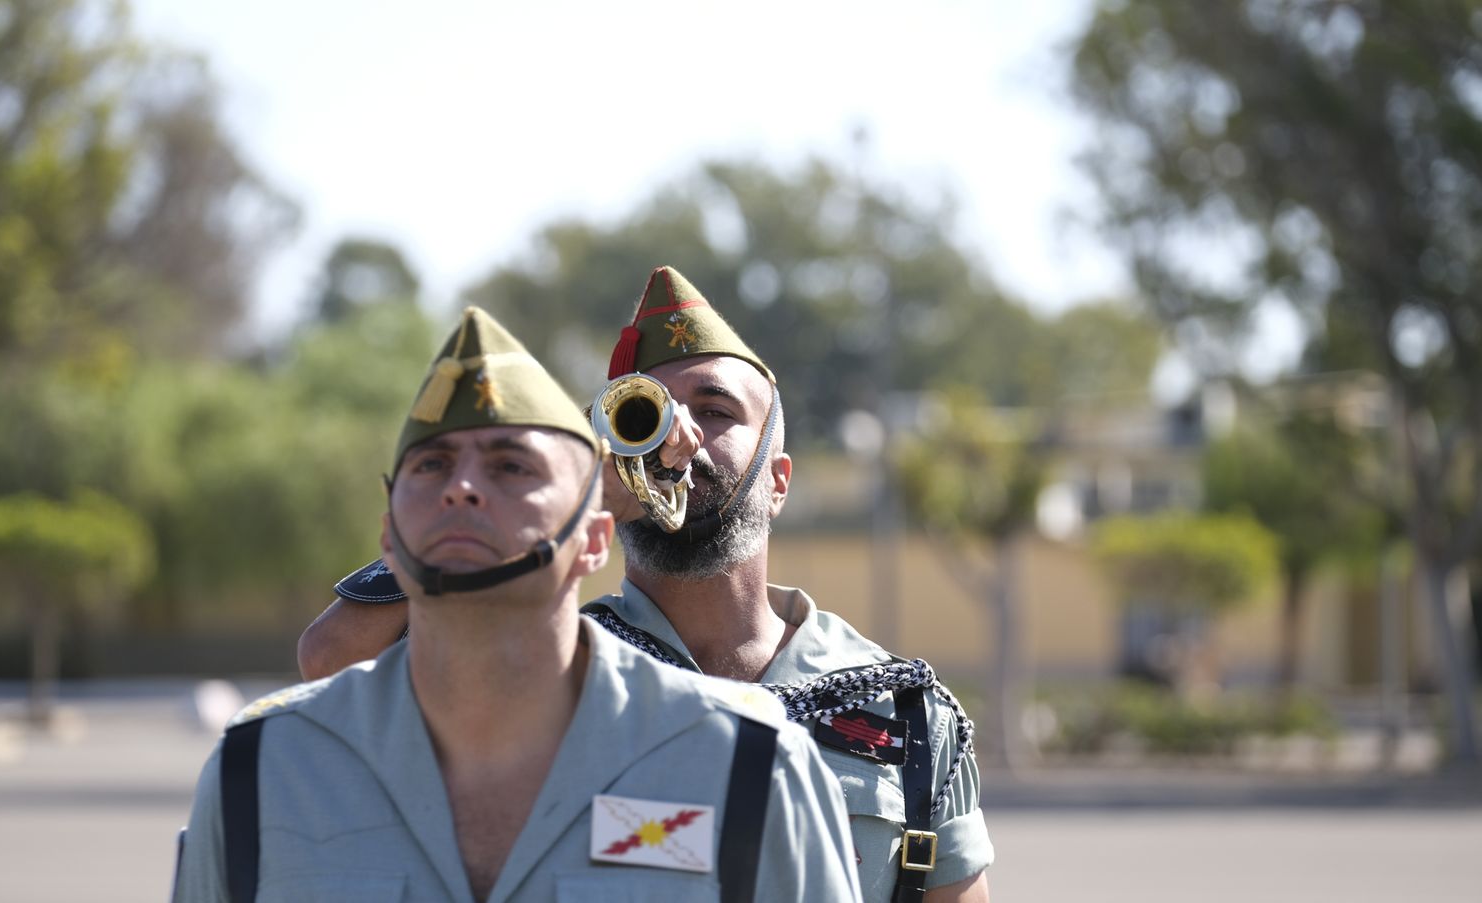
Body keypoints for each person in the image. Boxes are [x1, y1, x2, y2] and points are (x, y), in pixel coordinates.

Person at [298, 268, 996, 903]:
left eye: (715, 411)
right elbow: (333, 663)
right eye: (645, 412)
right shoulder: (543, 668)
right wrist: (556, 505)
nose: (676, 436)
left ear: (778, 481)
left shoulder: (902, 709)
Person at [173, 307, 861, 903]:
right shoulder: (259, 769)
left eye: (511, 466)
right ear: (388, 528)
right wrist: (582, 488)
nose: (463, 488)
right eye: (432, 465)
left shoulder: (768, 753)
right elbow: (331, 662)